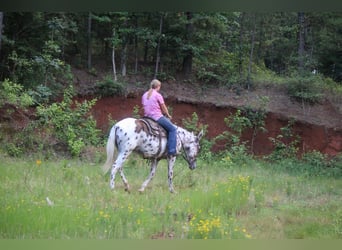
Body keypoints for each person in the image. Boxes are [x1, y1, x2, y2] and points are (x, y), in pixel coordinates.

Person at [142, 79, 177, 156]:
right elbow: (163, 107)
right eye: (160, 86)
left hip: (146, 117)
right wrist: (168, 115)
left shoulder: (144, 95)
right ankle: (171, 150)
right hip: (156, 117)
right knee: (173, 129)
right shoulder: (158, 95)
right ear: (158, 86)